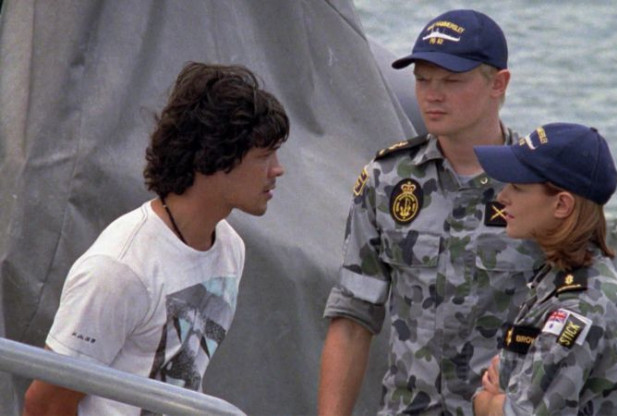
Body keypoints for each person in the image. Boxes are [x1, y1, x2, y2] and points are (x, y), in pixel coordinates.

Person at [22, 62, 289, 415]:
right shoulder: (119, 269)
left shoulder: (229, 249)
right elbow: (45, 404)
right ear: (213, 157)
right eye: (263, 156)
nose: (278, 169)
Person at [318, 9, 543, 415]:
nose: (432, 95)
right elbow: (353, 316)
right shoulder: (387, 181)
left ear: (498, 83)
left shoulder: (541, 187)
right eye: (423, 80)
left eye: (452, 81)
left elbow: (578, 319)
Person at [471, 122, 617, 415]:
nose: (502, 197)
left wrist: (488, 402)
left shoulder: (579, 308)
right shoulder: (558, 277)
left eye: (518, 187)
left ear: (562, 205)